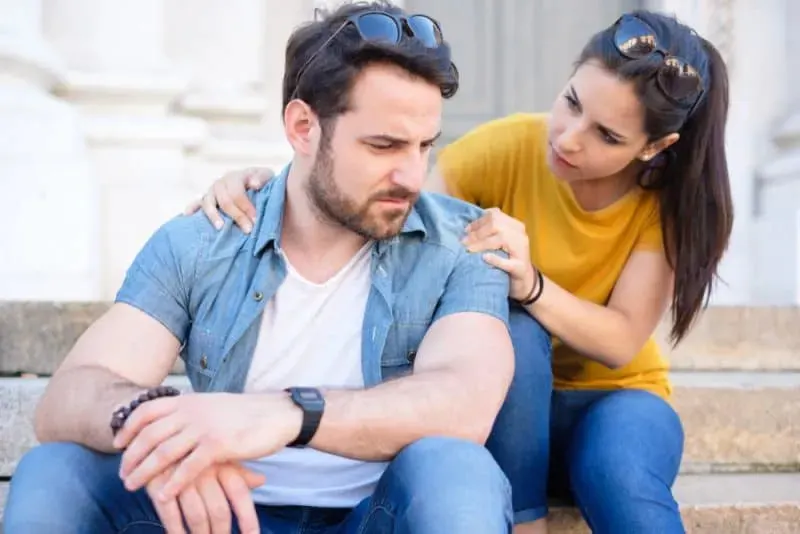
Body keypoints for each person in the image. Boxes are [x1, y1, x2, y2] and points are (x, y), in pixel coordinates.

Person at [189, 9, 734, 534]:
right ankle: (527, 522)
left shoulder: (668, 205)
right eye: (571, 103)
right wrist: (273, 189)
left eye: (607, 136)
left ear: (656, 147)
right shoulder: (505, 146)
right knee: (516, 334)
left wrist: (532, 284)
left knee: (622, 475)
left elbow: (619, 341)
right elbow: (384, 216)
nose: (569, 136)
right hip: (501, 406)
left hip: (612, 402)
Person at [4, 2, 518, 533]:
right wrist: (164, 429)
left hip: (376, 517)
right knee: (54, 470)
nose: (412, 175)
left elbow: (464, 405)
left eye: (424, 146)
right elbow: (67, 397)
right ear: (302, 127)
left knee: (456, 470)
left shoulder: (463, 243)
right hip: (216, 515)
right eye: (383, 145)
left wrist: (285, 414)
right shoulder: (204, 243)